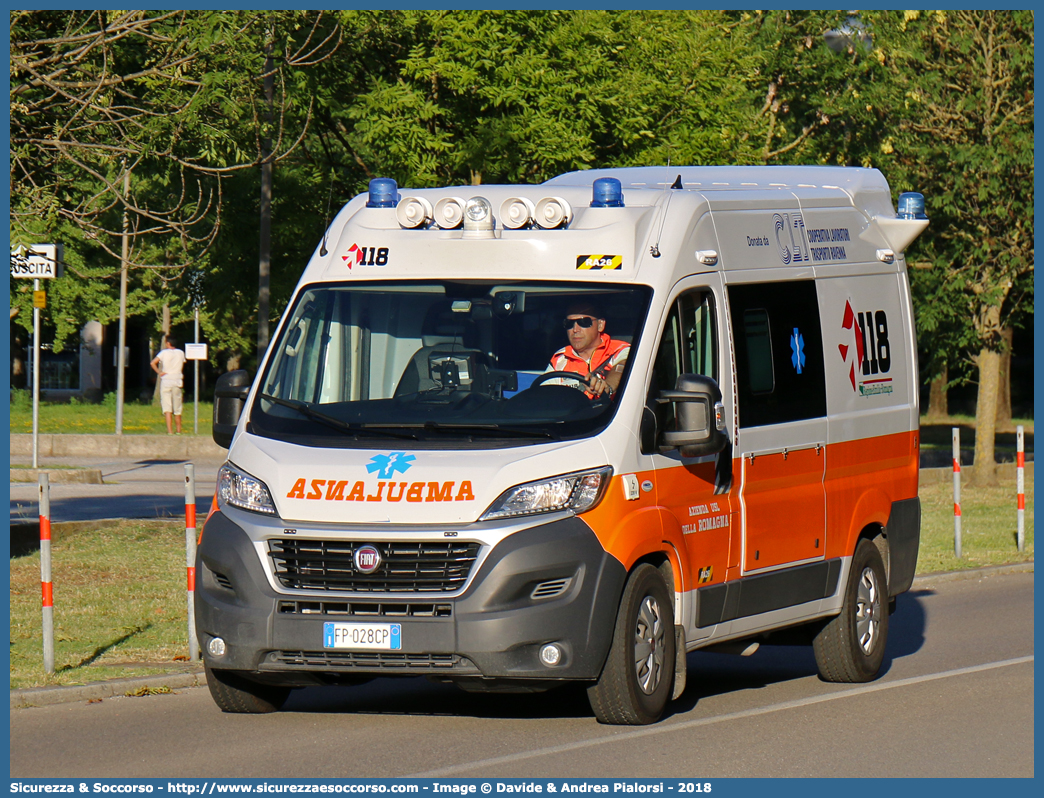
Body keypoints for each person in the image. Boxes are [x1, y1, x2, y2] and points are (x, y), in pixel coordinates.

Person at [545, 302, 629, 398]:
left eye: (584, 322)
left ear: (600, 325)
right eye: (569, 323)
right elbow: (544, 395)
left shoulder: (620, 350)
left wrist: (606, 387)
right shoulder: (560, 358)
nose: (575, 329)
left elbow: (621, 368)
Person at [150, 335, 186, 434]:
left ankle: (170, 431)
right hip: (177, 380)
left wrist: (159, 372)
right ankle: (178, 431)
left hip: (166, 381)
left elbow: (153, 363)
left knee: (167, 408)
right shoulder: (181, 353)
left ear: (168, 343)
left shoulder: (164, 353)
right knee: (177, 407)